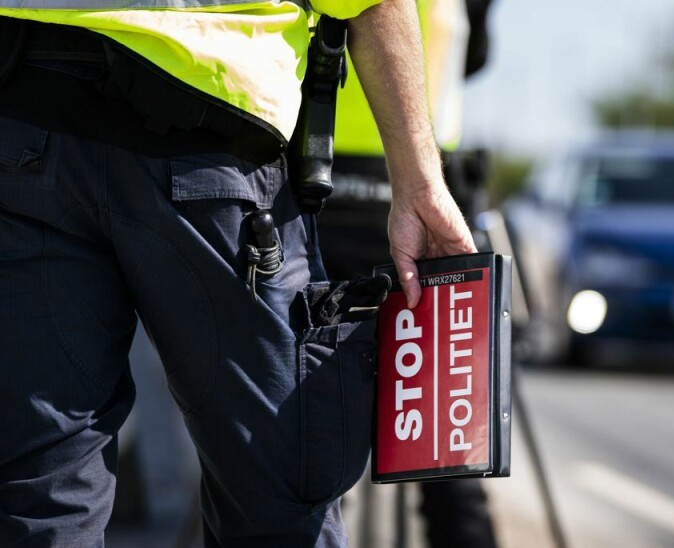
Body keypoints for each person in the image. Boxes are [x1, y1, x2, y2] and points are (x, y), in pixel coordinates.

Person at [0, 0, 475, 546]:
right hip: (209, 130)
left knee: (36, 497)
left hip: (25, 122)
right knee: (280, 496)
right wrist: (420, 183)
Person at [317, 1, 497, 547]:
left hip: (313, 180)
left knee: (310, 436)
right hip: (424, 186)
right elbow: (476, 56)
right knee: (447, 445)